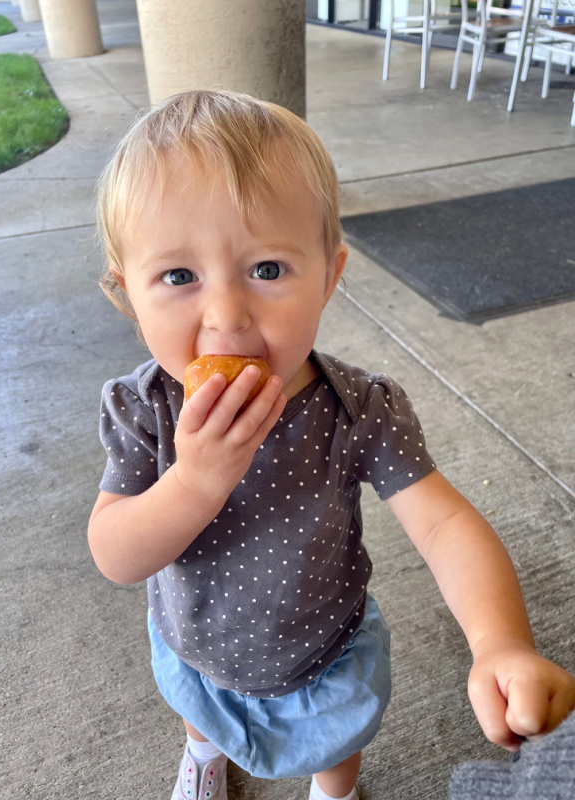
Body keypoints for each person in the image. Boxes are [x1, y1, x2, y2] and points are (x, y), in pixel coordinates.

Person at [88, 90, 575, 800]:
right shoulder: (144, 410)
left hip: (325, 647)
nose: (227, 316)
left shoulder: (360, 409)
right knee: (199, 710)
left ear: (329, 278)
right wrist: (194, 481)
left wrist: (501, 641)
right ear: (129, 295)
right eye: (179, 276)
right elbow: (116, 555)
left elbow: (443, 525)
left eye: (267, 270)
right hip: (197, 639)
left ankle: (335, 791)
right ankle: (206, 759)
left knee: (339, 740)